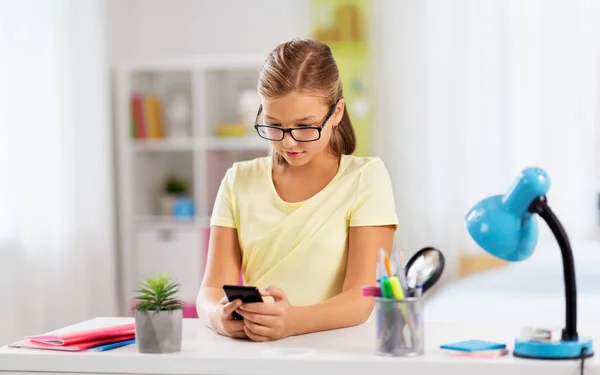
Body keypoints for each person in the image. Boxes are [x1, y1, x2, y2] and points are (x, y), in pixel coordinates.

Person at [196, 38, 398, 342]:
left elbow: (361, 298)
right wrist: (218, 317)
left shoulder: (366, 179)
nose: (288, 142)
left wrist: (292, 321)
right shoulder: (238, 180)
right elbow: (211, 290)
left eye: (305, 126)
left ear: (337, 112)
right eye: (273, 124)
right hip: (257, 353)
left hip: (339, 352)